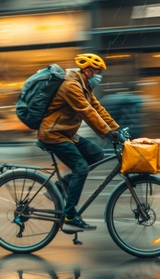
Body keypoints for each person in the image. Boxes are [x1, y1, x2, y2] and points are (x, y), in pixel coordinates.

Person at [38, 53, 121, 231]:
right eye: (98, 72)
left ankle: (61, 186)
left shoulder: (84, 86)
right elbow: (86, 111)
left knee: (97, 154)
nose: (99, 76)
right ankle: (70, 215)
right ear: (88, 70)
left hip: (66, 133)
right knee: (81, 167)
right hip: (53, 134)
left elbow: (97, 108)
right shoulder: (71, 85)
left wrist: (116, 129)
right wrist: (107, 133)